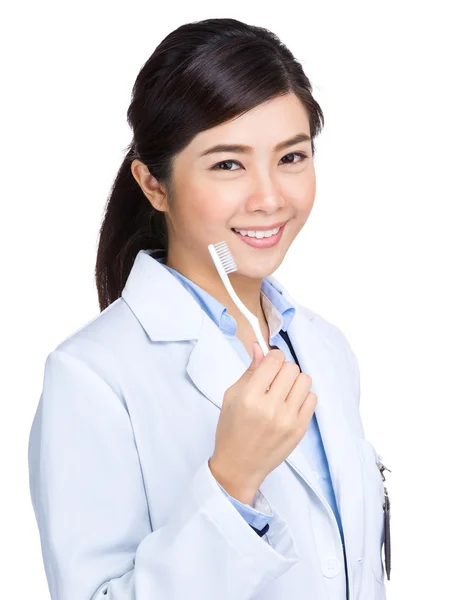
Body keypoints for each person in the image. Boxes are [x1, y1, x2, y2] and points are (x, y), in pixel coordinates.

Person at [28, 17, 389, 600]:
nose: (270, 197)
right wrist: (232, 480)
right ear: (153, 185)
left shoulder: (326, 348)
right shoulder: (90, 378)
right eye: (228, 164)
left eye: (292, 157)